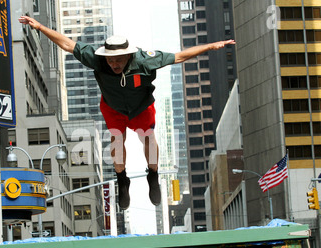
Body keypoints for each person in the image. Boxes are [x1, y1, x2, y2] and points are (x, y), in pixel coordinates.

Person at [19, 15, 235, 210]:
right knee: (116, 141)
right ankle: (122, 180)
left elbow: (178, 57)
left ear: (128, 56)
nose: (114, 64)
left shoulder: (144, 60)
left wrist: (211, 46)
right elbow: (67, 44)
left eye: (119, 60)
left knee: (148, 138)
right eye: (111, 60)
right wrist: (39, 27)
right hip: (113, 107)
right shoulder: (97, 59)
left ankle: (153, 175)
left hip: (141, 106)